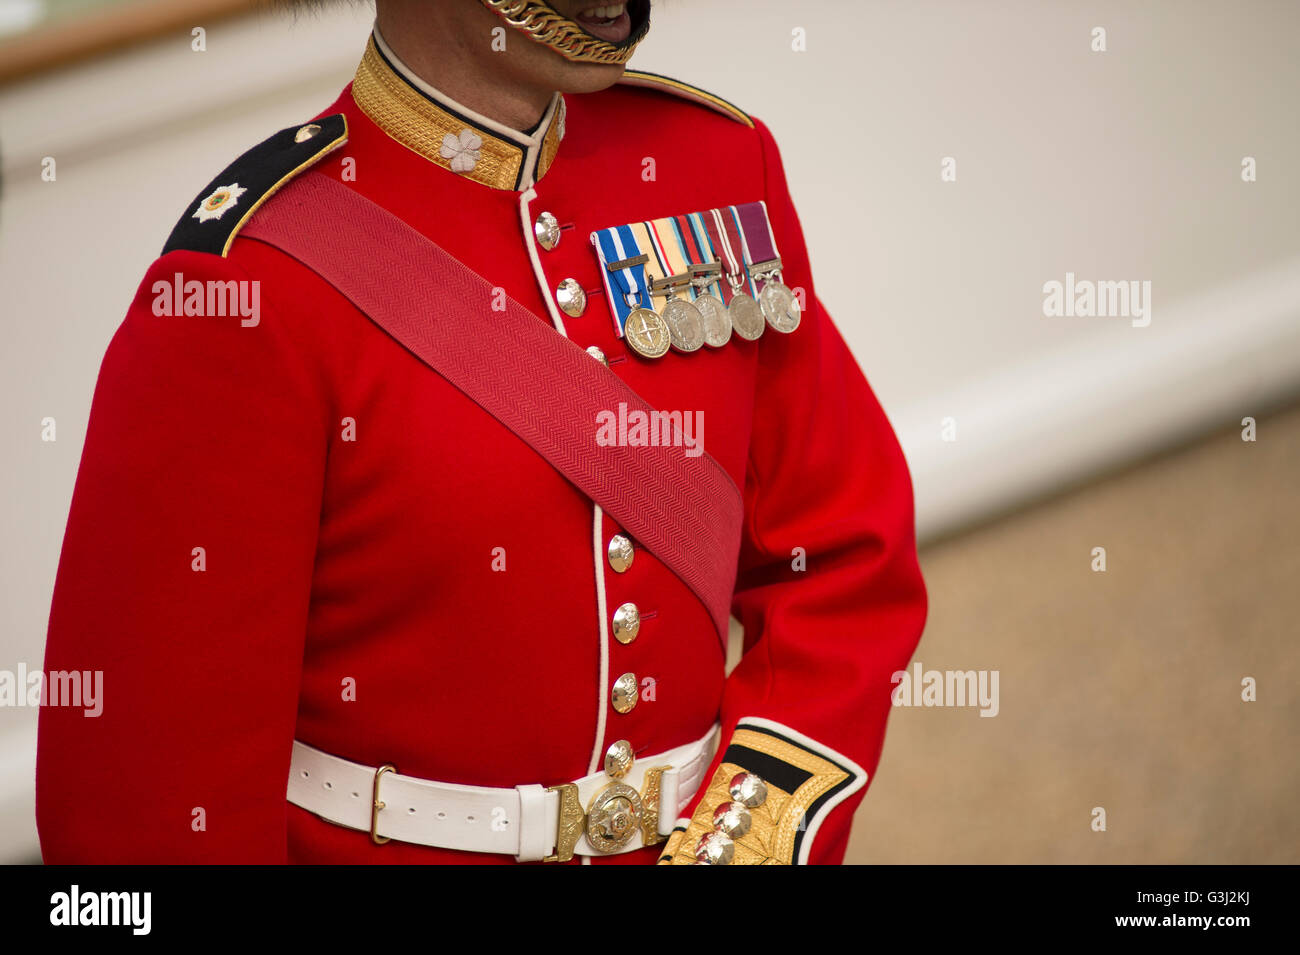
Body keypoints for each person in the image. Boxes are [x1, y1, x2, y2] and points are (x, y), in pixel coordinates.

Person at [36, 0, 927, 865]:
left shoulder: (712, 164)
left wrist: (745, 841)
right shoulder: (244, 284)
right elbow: (147, 804)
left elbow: (842, 557)